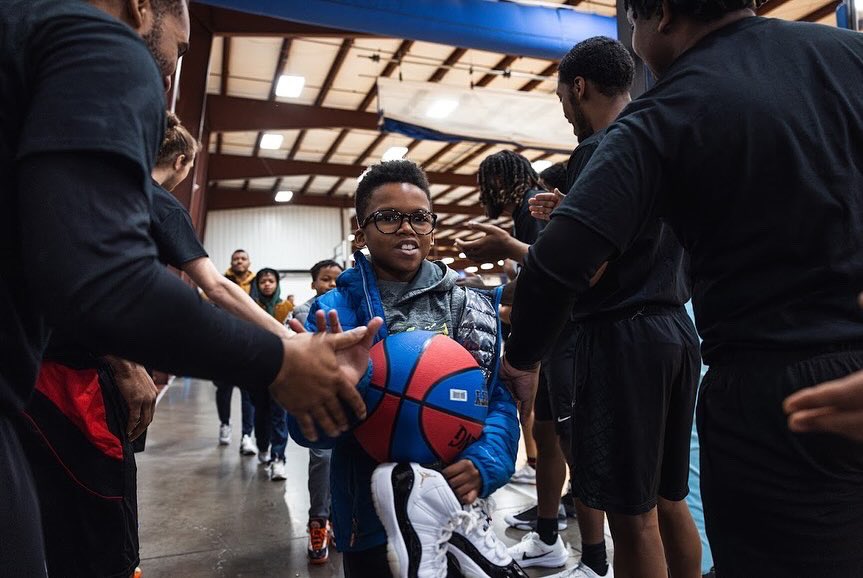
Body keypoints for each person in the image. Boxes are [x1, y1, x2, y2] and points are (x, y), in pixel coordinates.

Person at [1, 2, 377, 572]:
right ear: (142, 5)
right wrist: (283, 357)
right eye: (181, 43)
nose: (176, 59)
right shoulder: (93, 41)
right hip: (64, 384)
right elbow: (107, 281)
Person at [500, 2, 863, 575]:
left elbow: (559, 264)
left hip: (773, 394)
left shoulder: (666, 109)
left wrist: (521, 360)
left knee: (640, 511)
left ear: (662, 14)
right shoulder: (847, 54)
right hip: (727, 348)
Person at [286, 160, 522, 577]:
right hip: (362, 503)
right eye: (388, 217)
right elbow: (307, 431)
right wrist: (335, 392)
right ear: (360, 231)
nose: (407, 228)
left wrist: (487, 461)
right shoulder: (333, 313)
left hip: (449, 498)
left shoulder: (467, 304)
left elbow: (496, 398)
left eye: (419, 218)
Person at [457, 150, 548, 490]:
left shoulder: (531, 205)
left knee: (553, 428)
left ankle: (561, 516)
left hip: (557, 339)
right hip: (551, 338)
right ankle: (549, 518)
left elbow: (545, 274)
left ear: (499, 180)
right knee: (547, 426)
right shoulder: (527, 207)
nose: (486, 193)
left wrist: (486, 289)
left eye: (488, 183)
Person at [292, 258, 344, 565]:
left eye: (337, 279)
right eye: (325, 279)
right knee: (321, 459)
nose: (332, 285)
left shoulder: (351, 308)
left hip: (350, 397)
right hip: (317, 398)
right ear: (314, 283)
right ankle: (318, 522)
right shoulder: (303, 312)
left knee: (346, 461)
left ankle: (338, 519)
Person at [214, 249, 266, 456]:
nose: (239, 261)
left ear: (249, 262)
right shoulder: (220, 280)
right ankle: (225, 424)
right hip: (224, 344)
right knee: (223, 390)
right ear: (231, 262)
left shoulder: (257, 283)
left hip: (249, 344)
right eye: (235, 259)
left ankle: (247, 436)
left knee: (248, 394)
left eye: (242, 258)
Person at [250, 268, 293, 480]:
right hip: (256, 368)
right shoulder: (250, 306)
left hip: (281, 368)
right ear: (257, 285)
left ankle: (279, 458)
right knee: (261, 412)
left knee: (279, 415)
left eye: (271, 281)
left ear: (277, 284)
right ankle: (263, 447)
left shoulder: (287, 307)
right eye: (263, 281)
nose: (267, 284)